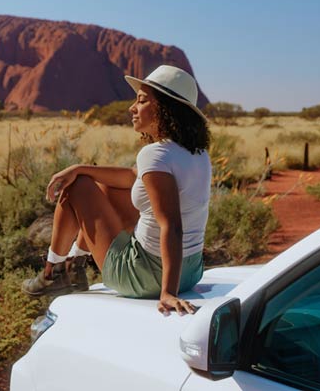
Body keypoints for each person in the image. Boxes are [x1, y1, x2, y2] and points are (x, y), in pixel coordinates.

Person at [22, 64, 212, 316]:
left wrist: (168, 293)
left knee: (78, 187)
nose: (132, 108)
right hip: (190, 272)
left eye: (142, 101)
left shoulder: (155, 154)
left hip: (148, 276)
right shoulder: (197, 153)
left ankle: (52, 272)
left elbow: (172, 225)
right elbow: (134, 177)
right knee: (105, 186)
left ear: (165, 109)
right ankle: (74, 267)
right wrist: (80, 167)